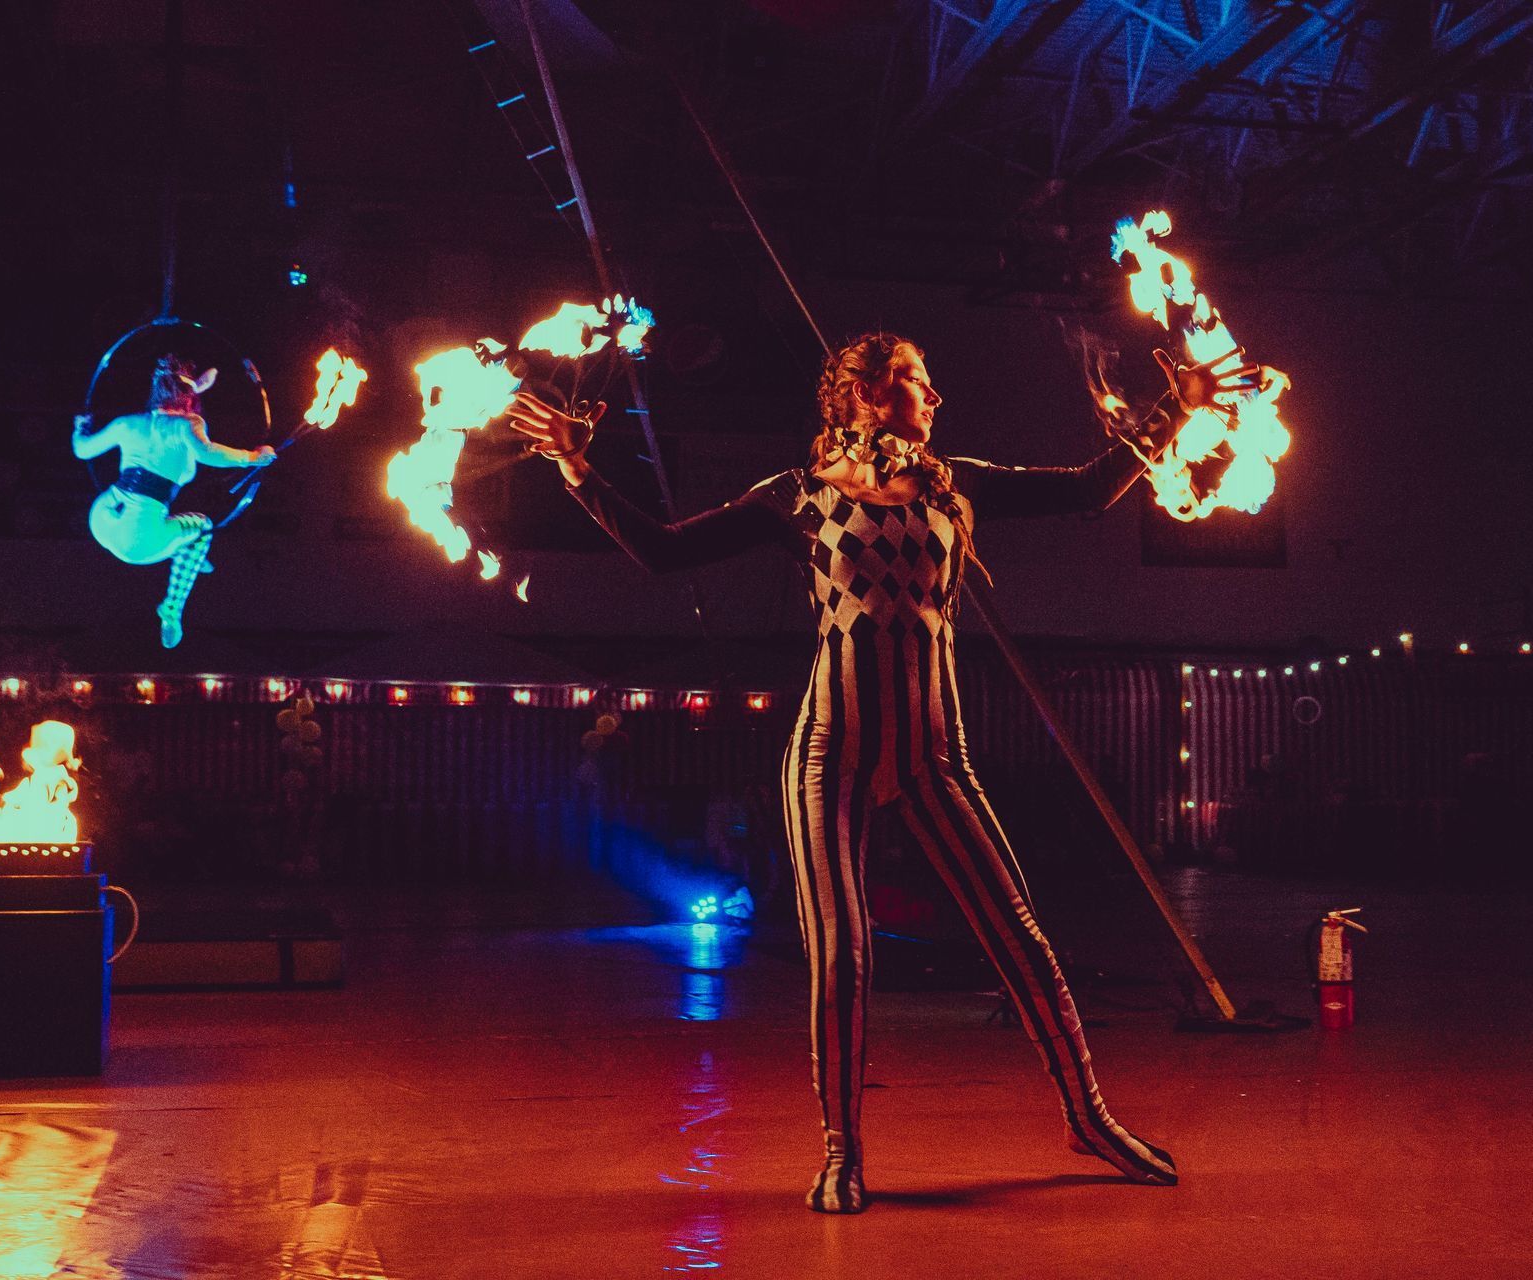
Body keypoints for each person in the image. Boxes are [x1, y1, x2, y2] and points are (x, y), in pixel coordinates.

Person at [509, 333, 1207, 1214]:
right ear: (870, 395)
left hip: (935, 755)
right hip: (829, 752)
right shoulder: (797, 495)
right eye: (918, 380)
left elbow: (1090, 488)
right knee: (843, 955)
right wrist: (577, 467)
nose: (936, 396)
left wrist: (1176, 409)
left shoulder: (958, 485)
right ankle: (842, 1151)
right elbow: (662, 550)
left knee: (1022, 938)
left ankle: (1090, 1118)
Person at [73, 355, 275, 647]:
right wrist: (253, 457)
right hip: (141, 541)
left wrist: (81, 427)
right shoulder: (187, 425)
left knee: (177, 531)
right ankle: (172, 606)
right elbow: (207, 453)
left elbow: (82, 450)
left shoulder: (127, 424)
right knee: (203, 527)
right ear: (190, 397)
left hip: (101, 520)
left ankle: (185, 554)